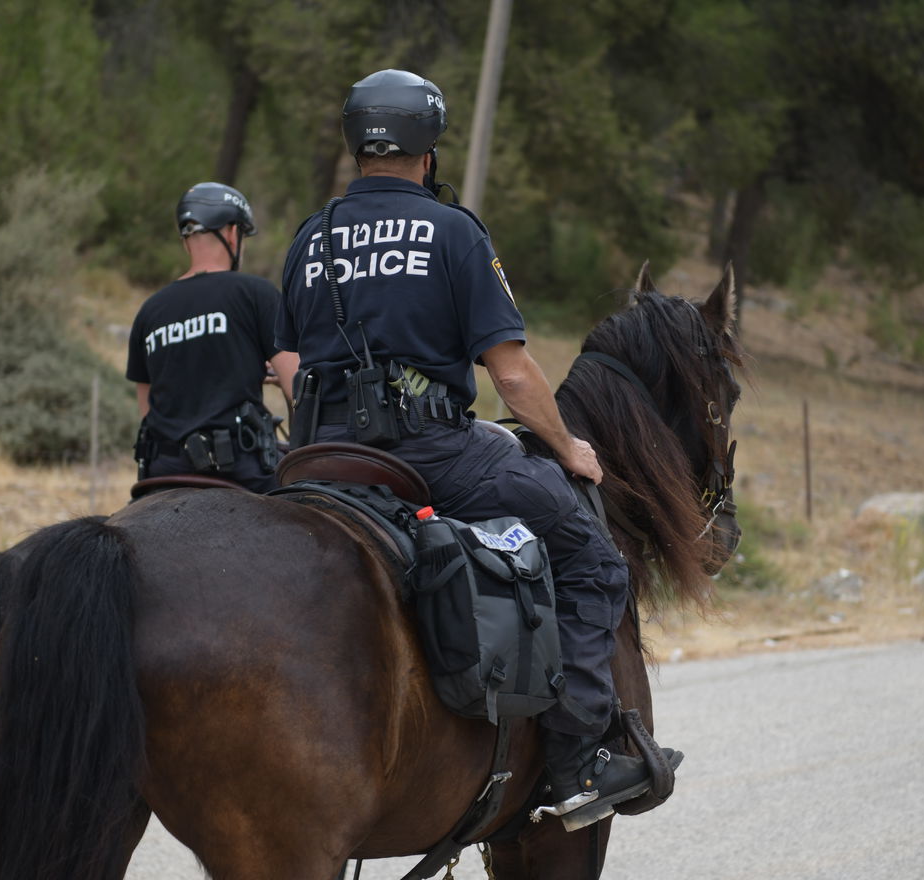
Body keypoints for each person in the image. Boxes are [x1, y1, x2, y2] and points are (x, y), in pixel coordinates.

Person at [276, 69, 678, 827]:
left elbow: (291, 359)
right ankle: (580, 760)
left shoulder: (312, 235)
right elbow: (513, 375)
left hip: (321, 458)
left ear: (357, 146)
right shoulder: (454, 230)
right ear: (428, 150)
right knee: (595, 560)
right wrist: (568, 446)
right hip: (428, 454)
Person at [127, 182, 299, 493]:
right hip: (241, 471)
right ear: (232, 233)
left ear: (186, 241)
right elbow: (299, 389)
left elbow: (147, 410)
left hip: (163, 472)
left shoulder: (149, 310)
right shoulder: (255, 294)